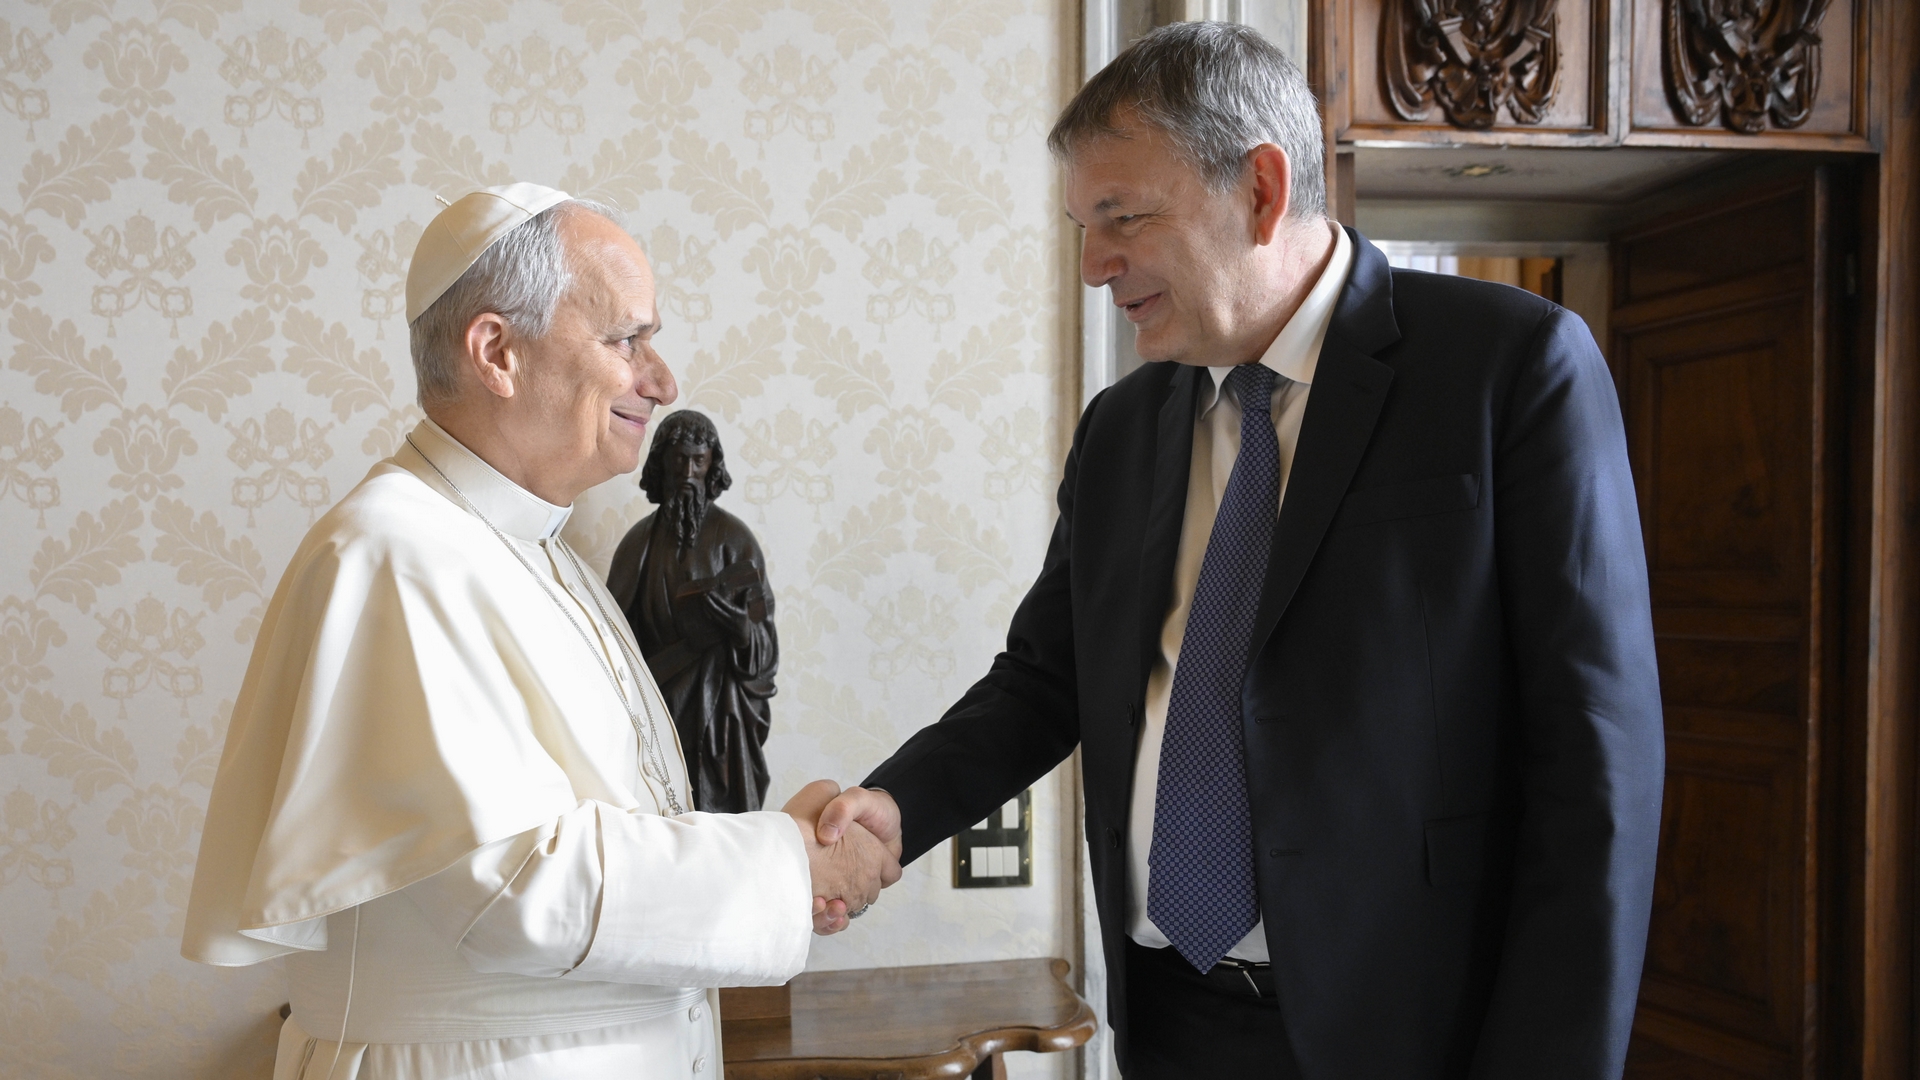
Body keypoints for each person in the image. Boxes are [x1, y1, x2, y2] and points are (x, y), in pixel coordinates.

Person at [813, 23, 1665, 1080]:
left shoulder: (1511, 368)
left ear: (1261, 190)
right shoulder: (1121, 429)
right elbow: (1044, 680)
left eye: (1123, 218)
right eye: (1083, 227)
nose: (1093, 266)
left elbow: (1596, 765)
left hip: (1416, 1031)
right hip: (1172, 1019)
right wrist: (896, 808)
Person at [181, 183, 897, 1080]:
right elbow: (518, 883)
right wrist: (789, 866)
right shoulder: (395, 552)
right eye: (626, 339)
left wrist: (779, 856)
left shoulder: (539, 551)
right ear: (498, 353)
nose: (662, 382)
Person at [608, 410, 778, 813]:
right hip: (657, 709)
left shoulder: (735, 541)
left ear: (711, 465)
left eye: (698, 461)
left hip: (722, 718)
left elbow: (765, 647)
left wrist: (741, 630)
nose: (687, 473)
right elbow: (611, 639)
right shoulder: (638, 544)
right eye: (679, 459)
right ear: (661, 463)